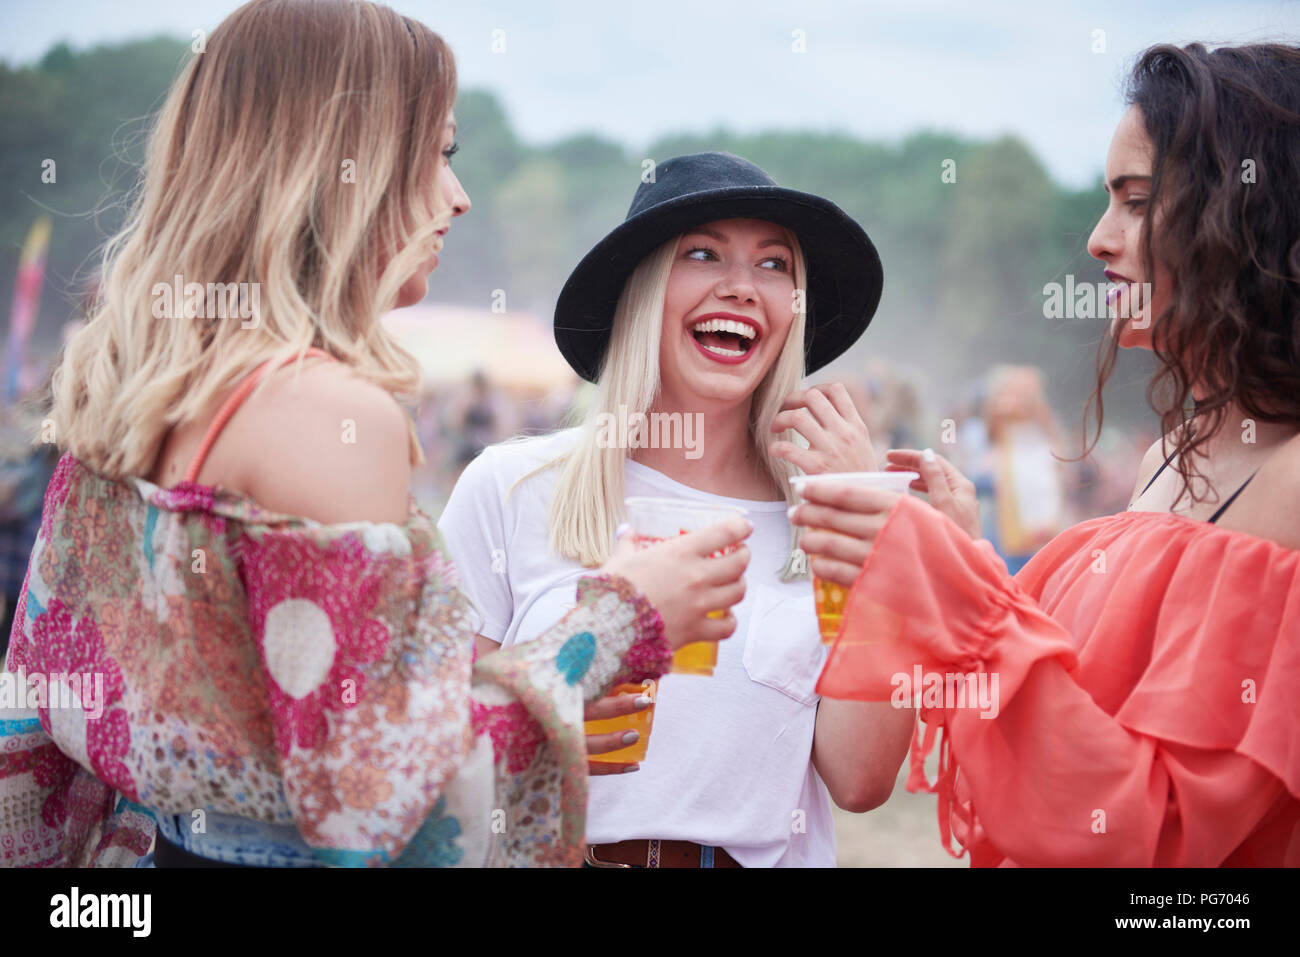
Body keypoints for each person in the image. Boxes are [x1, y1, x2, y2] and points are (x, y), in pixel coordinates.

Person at [0, 0, 751, 868]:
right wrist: (619, 622)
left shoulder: (124, 389)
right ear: (338, 165)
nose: (458, 198)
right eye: (440, 154)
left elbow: (50, 714)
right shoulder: (329, 414)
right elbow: (382, 799)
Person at [791, 42, 1300, 866]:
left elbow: (1154, 832)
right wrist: (958, 549)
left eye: (1136, 203)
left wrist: (935, 573)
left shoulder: (1291, 480)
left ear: (1253, 216)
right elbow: (1079, 712)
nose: (1098, 240)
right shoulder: (1172, 453)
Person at [438, 151, 915, 868]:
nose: (742, 287)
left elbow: (861, 778)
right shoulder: (511, 486)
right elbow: (433, 742)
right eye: (703, 253)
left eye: (775, 265)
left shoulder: (825, 517)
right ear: (644, 289)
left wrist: (871, 524)